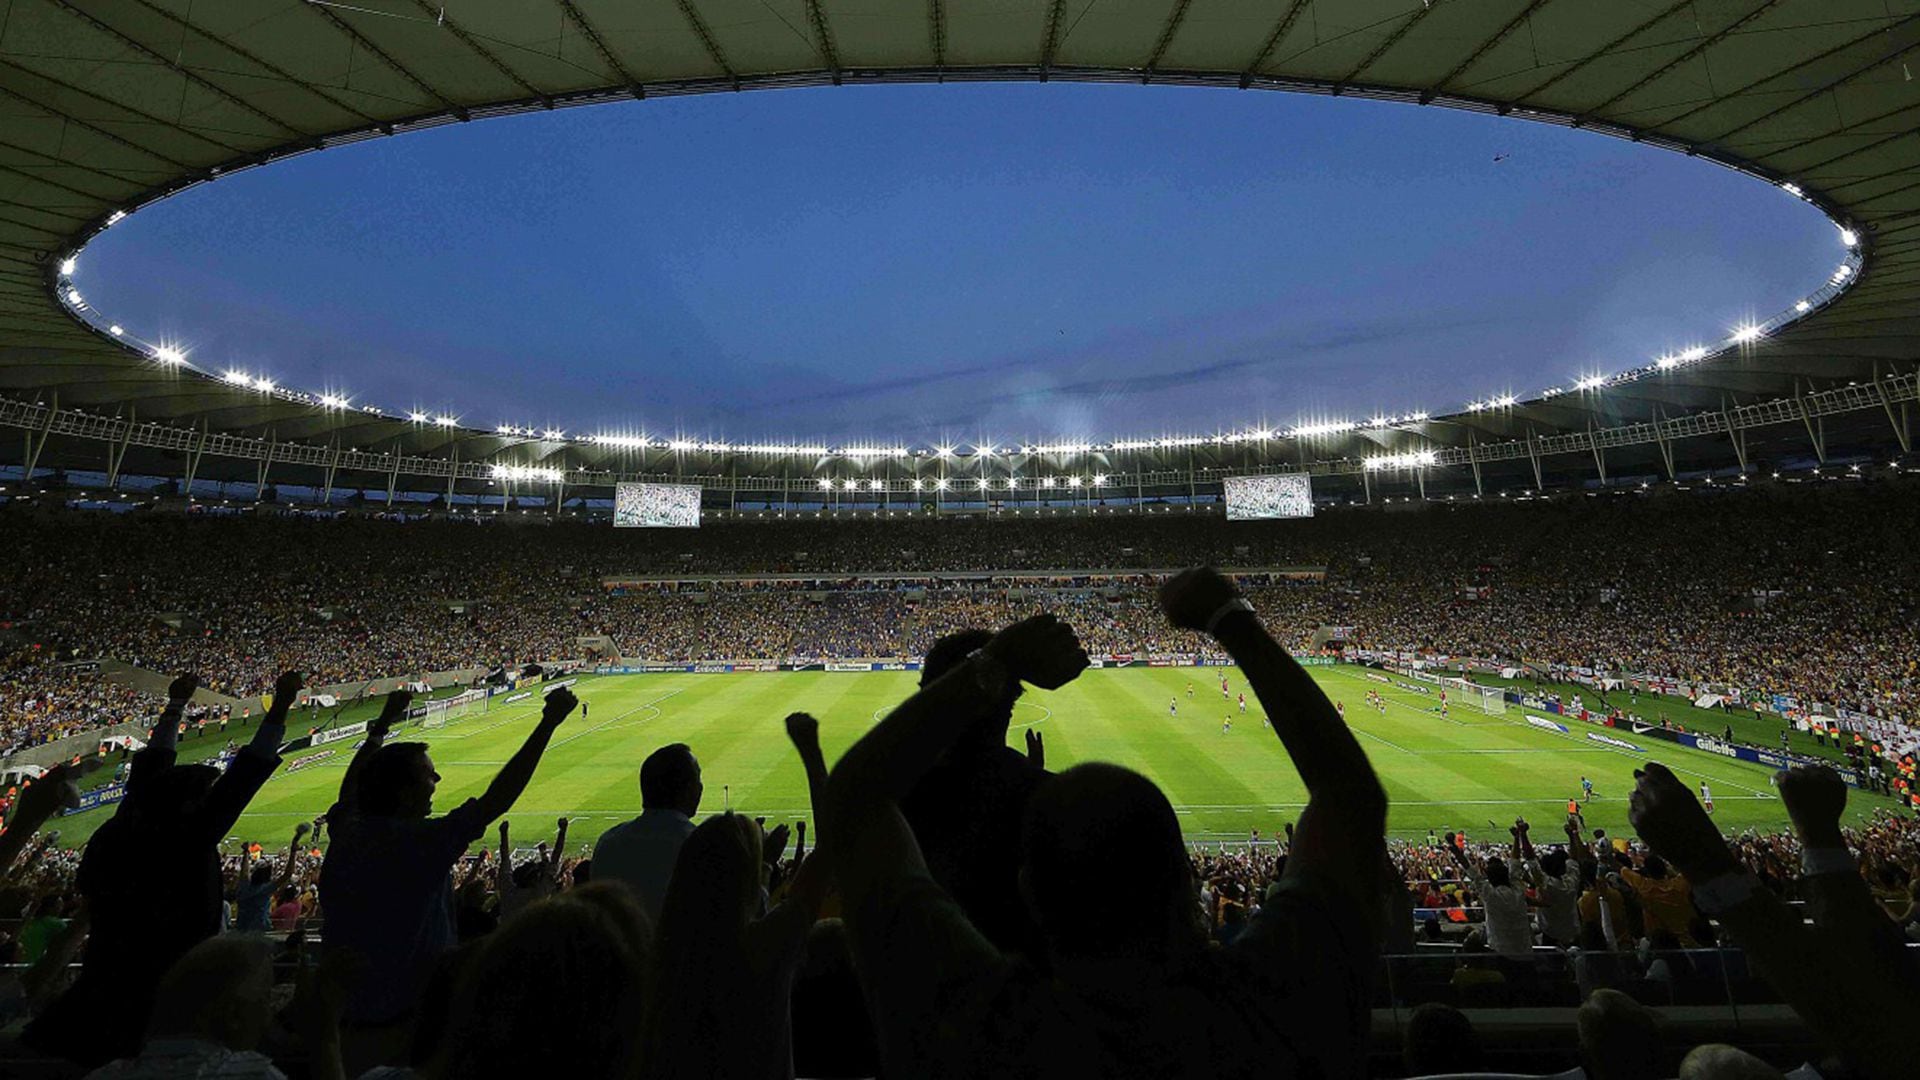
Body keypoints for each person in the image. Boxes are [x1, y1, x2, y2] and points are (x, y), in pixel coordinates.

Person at [825, 569, 1389, 1077]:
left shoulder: (973, 1024)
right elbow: (1351, 799)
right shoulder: (1274, 1006)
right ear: (1185, 885)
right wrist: (1228, 618)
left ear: (1030, 889)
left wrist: (992, 666)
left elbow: (851, 801)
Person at [29, 671, 300, 1067]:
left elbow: (149, 771)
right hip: (165, 994)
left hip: (100, 985)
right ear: (189, 805)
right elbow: (247, 772)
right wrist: (280, 706)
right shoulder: (188, 837)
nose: (211, 797)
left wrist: (174, 707)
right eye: (204, 794)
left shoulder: (124, 828)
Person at [320, 685, 577, 1073]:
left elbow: (350, 790)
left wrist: (383, 725)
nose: (437, 779)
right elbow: (495, 800)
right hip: (405, 1026)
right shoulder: (415, 845)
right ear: (404, 793)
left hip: (351, 1020)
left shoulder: (348, 833)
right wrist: (548, 723)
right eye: (427, 775)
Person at [642, 715, 832, 1080]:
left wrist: (763, 867)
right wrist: (811, 753)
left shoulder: (664, 957)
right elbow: (828, 848)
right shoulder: (763, 945)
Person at [899, 630, 1053, 960]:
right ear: (1009, 700)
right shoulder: (1048, 799)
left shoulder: (898, 799)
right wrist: (1032, 778)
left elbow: (848, 789)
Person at [594, 742, 704, 924]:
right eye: (698, 779)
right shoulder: (702, 845)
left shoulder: (608, 843)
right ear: (688, 789)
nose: (701, 788)